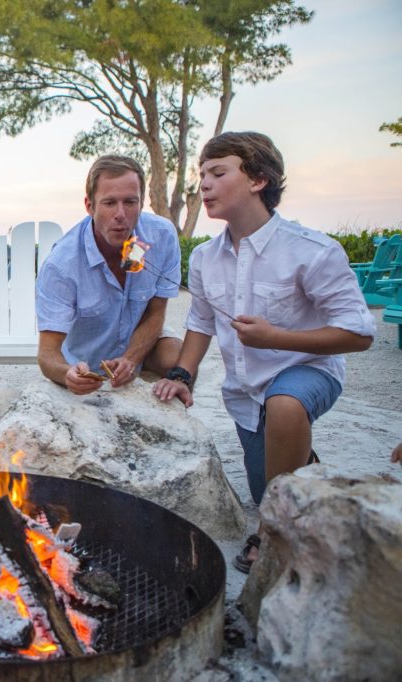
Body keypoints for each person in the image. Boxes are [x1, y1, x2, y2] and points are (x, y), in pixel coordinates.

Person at [153, 131, 375, 574]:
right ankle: (307, 468)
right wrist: (181, 375)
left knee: (284, 416)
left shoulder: (312, 251)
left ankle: (269, 533)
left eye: (218, 173)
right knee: (269, 486)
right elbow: (199, 323)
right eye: (202, 176)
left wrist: (276, 337)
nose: (205, 185)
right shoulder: (203, 259)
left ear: (258, 179)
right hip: (244, 392)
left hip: (307, 372)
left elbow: (359, 333)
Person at [36, 155, 183, 393]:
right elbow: (47, 353)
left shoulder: (162, 236)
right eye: (109, 203)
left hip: (143, 344)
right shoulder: (61, 265)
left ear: (142, 202)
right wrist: (67, 374)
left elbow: (157, 313)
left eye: (130, 202)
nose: (121, 214)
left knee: (180, 361)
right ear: (89, 205)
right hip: (86, 362)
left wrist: (130, 359)